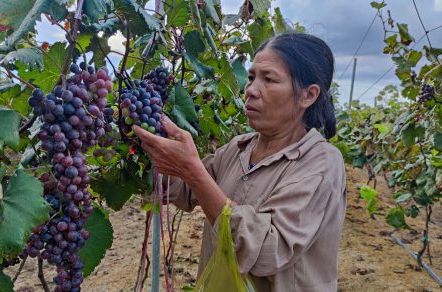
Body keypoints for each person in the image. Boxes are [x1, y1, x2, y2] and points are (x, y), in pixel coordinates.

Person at [133, 32, 347, 292]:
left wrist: (193, 171)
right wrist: (153, 148)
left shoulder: (321, 163)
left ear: (307, 95)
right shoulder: (238, 147)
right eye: (252, 77)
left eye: (268, 79)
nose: (251, 90)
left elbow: (268, 251)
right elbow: (183, 191)